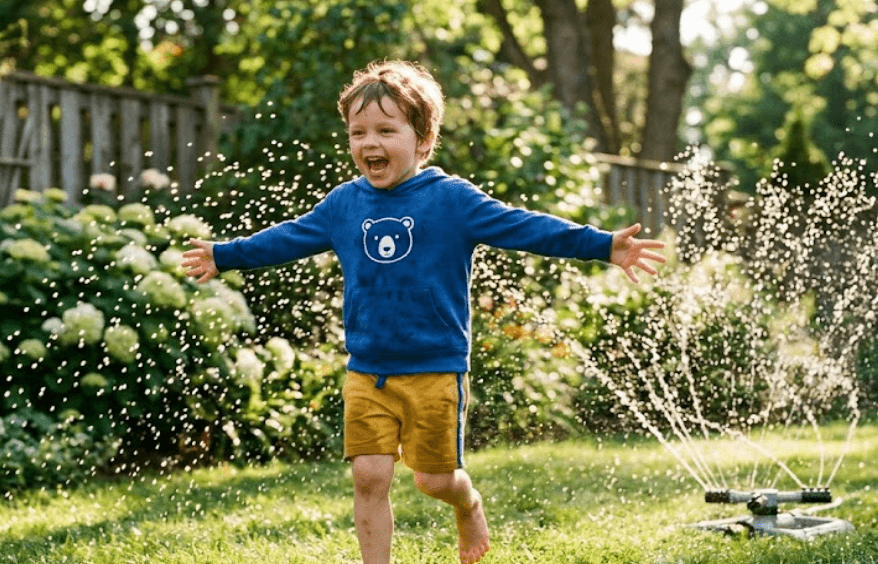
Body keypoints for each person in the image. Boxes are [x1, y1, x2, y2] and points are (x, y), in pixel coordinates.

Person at [182, 60, 666, 564]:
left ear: (423, 139)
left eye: (386, 130)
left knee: (434, 479)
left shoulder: (452, 200)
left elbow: (526, 227)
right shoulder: (344, 204)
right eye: (358, 132)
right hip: (367, 370)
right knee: (369, 476)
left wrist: (601, 245)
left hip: (435, 369)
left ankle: (468, 501)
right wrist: (225, 254)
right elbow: (286, 238)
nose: (370, 143)